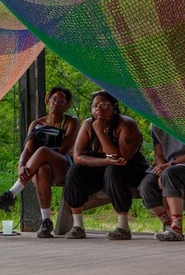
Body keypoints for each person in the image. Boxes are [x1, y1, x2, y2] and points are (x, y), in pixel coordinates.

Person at [0, 87, 80, 238]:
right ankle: (46, 222)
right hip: (38, 168)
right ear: (48, 100)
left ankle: (12, 194)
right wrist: (21, 165)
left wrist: (41, 155)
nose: (56, 103)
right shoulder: (36, 124)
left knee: (43, 151)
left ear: (67, 105)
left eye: (61, 101)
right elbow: (28, 149)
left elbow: (63, 148)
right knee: (43, 168)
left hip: (63, 166)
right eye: (54, 99)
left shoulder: (71, 122)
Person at [62, 91, 149, 240]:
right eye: (95, 106)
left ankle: (123, 227)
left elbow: (119, 158)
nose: (98, 109)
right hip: (100, 169)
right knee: (74, 171)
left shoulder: (126, 124)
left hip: (128, 170)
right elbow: (77, 157)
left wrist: (100, 132)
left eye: (103, 105)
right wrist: (104, 161)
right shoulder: (88, 124)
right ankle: (78, 226)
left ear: (114, 107)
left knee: (113, 170)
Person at [138, 124, 185, 241]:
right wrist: (161, 171)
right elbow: (158, 155)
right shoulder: (156, 125)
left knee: (170, 174)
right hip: (167, 166)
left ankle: (176, 227)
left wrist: (169, 166)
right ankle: (169, 224)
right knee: (146, 185)